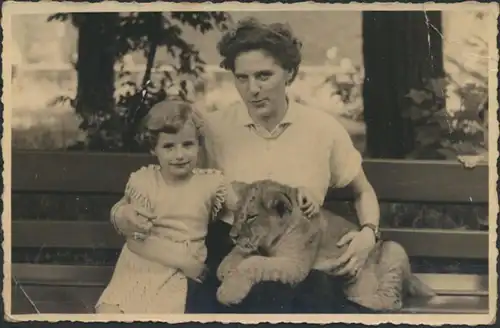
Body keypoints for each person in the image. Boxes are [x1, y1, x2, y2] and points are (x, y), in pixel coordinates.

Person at [112, 17, 381, 314]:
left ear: (289, 73)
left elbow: (362, 191)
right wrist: (121, 213)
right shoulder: (212, 129)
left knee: (302, 297)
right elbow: (165, 181)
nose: (253, 88)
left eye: (264, 76)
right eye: (242, 78)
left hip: (298, 255)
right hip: (231, 247)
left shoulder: (323, 130)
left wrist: (368, 234)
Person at [95, 99, 231, 314]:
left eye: (188, 145)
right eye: (168, 146)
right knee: (110, 313)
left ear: (198, 145)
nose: (179, 155)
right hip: (144, 263)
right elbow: (136, 242)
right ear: (153, 149)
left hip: (180, 274)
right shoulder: (145, 182)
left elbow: (241, 205)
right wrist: (183, 261)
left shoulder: (210, 184)